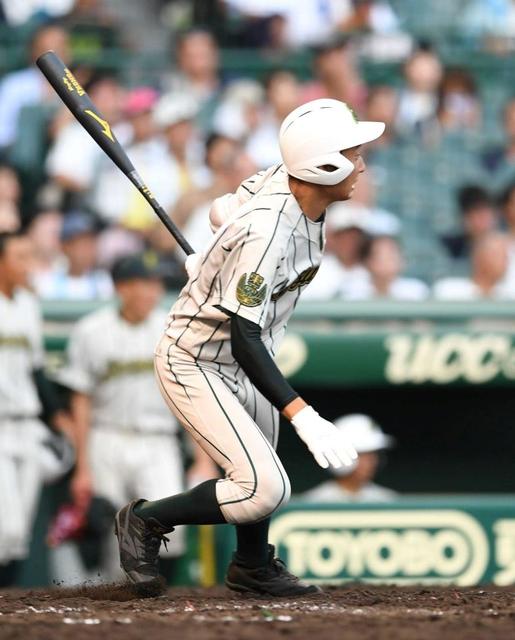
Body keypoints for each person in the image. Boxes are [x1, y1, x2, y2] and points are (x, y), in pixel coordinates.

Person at [114, 98, 384, 597]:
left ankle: (252, 566)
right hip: (196, 359)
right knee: (264, 490)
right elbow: (244, 335)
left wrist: (220, 253)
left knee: (263, 472)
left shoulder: (287, 182)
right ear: (323, 164)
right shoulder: (269, 230)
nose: (361, 163)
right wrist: (302, 412)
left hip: (241, 353)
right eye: (352, 152)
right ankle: (146, 520)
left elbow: (230, 204)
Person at [57, 252, 215, 582]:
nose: (150, 291)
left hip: (157, 439)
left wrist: (203, 457)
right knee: (111, 532)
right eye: (142, 283)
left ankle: (158, 603)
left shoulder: (172, 328)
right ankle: (114, 610)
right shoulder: (91, 330)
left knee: (170, 532)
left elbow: (190, 396)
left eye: (155, 284)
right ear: (121, 287)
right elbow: (81, 400)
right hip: (107, 436)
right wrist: (82, 467)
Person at [0, 231, 73, 587]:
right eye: (19, 258)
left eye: (31, 257)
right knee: (6, 527)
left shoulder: (27, 305)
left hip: (26, 424)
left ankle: (7, 607)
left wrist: (58, 417)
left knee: (20, 535)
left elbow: (36, 369)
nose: (28, 266)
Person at [302, 414, 397, 503]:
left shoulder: (387, 500)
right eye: (362, 454)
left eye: (373, 454)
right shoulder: (315, 501)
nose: (372, 461)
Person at [34, 210, 113, 300]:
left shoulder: (102, 281)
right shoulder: (46, 283)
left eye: (92, 243)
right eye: (82, 243)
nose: (88, 250)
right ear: (65, 247)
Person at [302, 202, 371, 300]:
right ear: (332, 239)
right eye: (343, 237)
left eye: (355, 237)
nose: (349, 243)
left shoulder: (373, 269)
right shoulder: (314, 269)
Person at [433, 232, 515, 300]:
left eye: (506, 257)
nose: (505, 263)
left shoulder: (509, 296)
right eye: (499, 256)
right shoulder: (449, 290)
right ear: (480, 257)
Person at [349, 235, 429, 300]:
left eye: (393, 254)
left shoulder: (416, 290)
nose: (391, 259)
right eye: (383, 255)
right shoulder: (353, 291)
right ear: (367, 261)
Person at [440, 185, 498, 274]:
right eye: (477, 214)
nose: (483, 221)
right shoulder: (449, 246)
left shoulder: (506, 248)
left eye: (486, 214)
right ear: (464, 217)